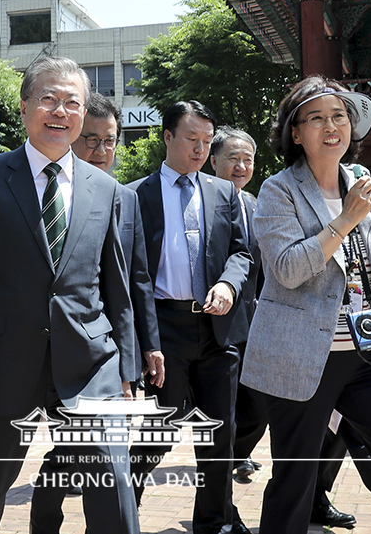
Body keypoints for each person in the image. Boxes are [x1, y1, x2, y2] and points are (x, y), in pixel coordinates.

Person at [0, 57, 139, 534]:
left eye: (71, 103)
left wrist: (128, 368)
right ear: (24, 108)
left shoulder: (106, 188)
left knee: (114, 491)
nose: (59, 111)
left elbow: (117, 286)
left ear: (83, 115)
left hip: (89, 365)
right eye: (48, 99)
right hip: (0, 363)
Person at [241, 76, 371, 534]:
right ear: (296, 132)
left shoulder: (365, 182)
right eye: (317, 118)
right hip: (304, 357)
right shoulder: (278, 190)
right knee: (295, 483)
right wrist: (345, 219)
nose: (331, 126)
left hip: (367, 357)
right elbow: (286, 269)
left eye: (339, 116)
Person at [29, 92, 161, 534]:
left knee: (99, 455)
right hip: (42, 345)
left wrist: (140, 353)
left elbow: (132, 282)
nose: (101, 152)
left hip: (98, 355)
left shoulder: (124, 197)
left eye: (110, 141)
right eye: (91, 140)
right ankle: (44, 518)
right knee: (73, 453)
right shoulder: (44, 190)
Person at [127, 101, 252, 534]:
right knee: (157, 432)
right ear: (167, 136)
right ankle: (123, 514)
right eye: (191, 139)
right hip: (165, 327)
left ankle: (214, 523)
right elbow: (129, 273)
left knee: (220, 434)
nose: (200, 150)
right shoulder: (135, 195)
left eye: (205, 141)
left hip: (218, 329)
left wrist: (229, 284)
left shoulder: (223, 193)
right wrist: (145, 341)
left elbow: (241, 252)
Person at [211, 126, 268, 491]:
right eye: (233, 158)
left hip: (257, 324)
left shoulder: (256, 205)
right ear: (213, 160)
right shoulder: (202, 202)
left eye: (247, 159)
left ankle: (235, 454)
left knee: (259, 409)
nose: (241, 166)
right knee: (222, 413)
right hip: (216, 324)